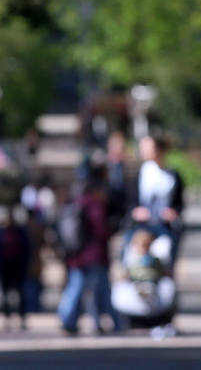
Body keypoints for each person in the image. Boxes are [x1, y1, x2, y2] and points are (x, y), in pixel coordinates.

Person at [57, 165, 122, 335]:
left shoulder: (76, 201)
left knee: (77, 287)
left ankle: (70, 319)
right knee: (95, 290)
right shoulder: (94, 204)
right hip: (93, 255)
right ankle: (105, 321)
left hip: (76, 254)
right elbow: (101, 230)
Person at [130, 134, 184, 260]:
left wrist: (173, 212)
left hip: (164, 227)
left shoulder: (172, 175)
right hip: (142, 226)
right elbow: (130, 201)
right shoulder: (140, 173)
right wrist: (135, 211)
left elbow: (179, 203)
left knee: (164, 257)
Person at [0, 205, 32, 330]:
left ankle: (22, 317)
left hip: (18, 266)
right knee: (5, 294)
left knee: (20, 293)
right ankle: (7, 317)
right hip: (5, 266)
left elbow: (26, 249)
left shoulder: (21, 232)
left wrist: (25, 264)